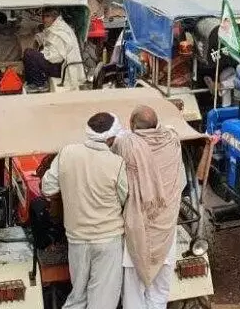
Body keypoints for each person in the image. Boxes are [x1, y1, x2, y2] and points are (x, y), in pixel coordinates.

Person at [41, 112, 128, 309]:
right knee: (103, 300)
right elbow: (125, 198)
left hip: (77, 240)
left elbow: (47, 188)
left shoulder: (67, 153)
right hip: (108, 240)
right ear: (111, 138)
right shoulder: (117, 163)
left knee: (77, 296)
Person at [112, 105, 186, 309]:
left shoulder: (127, 145)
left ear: (132, 125)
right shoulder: (172, 141)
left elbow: (117, 140)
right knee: (160, 294)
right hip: (166, 235)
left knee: (134, 294)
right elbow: (169, 128)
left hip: (138, 237)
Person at [23, 8, 85, 91]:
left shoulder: (59, 31)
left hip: (63, 68)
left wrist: (41, 54)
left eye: (47, 16)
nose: (44, 19)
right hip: (63, 65)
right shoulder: (59, 27)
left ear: (55, 17)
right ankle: (34, 82)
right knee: (32, 54)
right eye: (43, 16)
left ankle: (39, 84)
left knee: (29, 53)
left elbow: (56, 58)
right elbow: (48, 41)